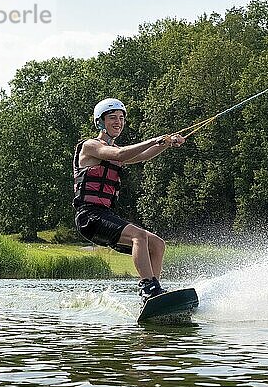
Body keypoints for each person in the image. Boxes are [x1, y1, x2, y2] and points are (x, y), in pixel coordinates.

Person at [73, 98, 185, 304]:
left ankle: (154, 296)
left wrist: (166, 144)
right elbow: (121, 153)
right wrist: (154, 139)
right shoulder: (90, 146)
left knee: (157, 244)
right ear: (100, 122)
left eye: (121, 118)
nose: (118, 122)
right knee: (139, 236)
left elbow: (142, 156)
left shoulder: (117, 154)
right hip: (89, 217)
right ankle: (148, 288)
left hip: (106, 215)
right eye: (112, 118)